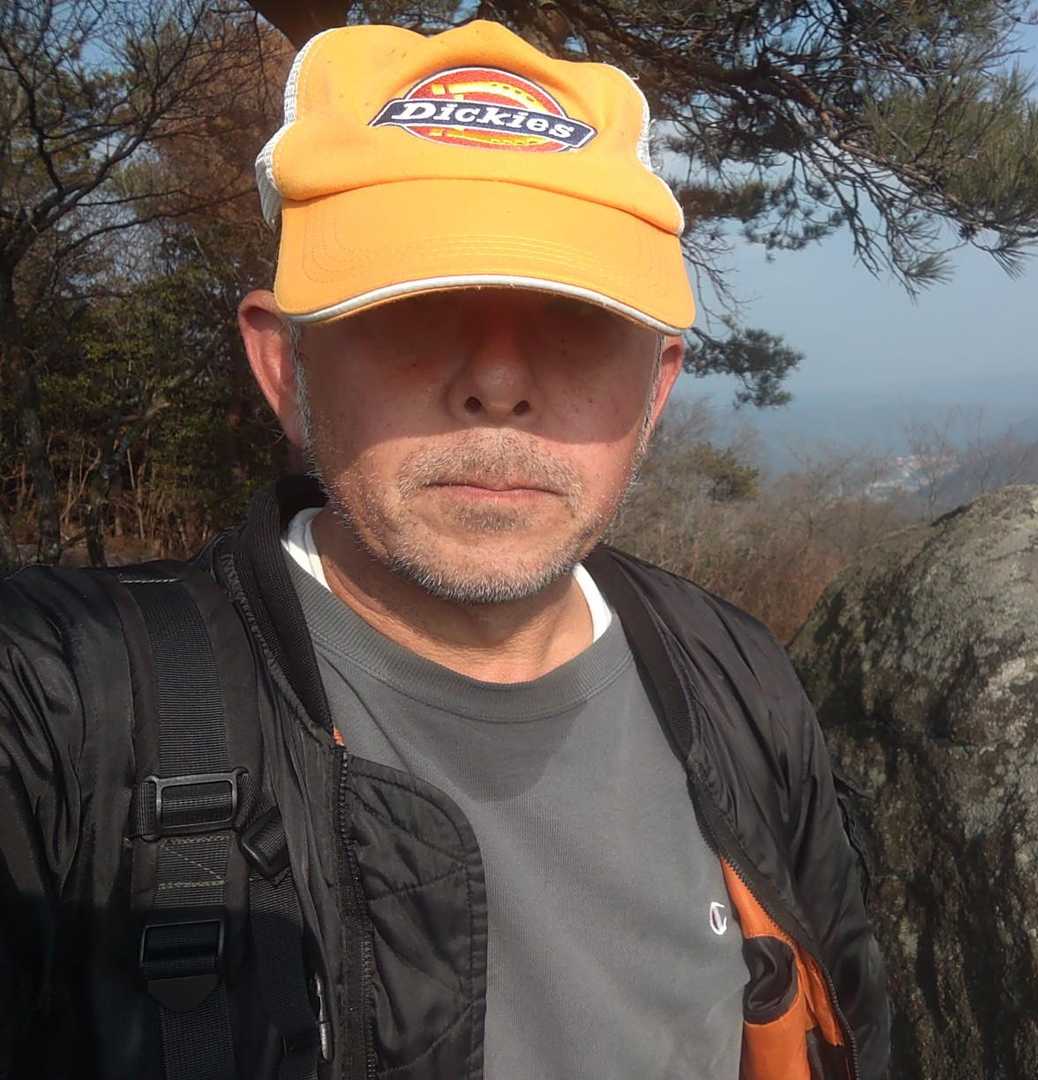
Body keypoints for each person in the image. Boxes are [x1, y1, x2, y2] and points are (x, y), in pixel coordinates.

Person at [0, 19, 890, 1080]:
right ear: (286, 369)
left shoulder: (738, 679)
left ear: (655, 391)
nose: (497, 385)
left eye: (575, 317)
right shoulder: (75, 705)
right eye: (413, 306)